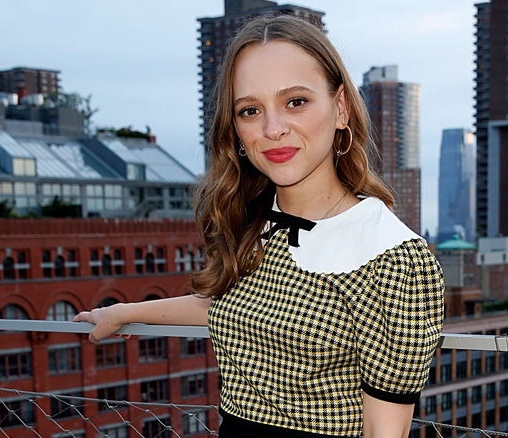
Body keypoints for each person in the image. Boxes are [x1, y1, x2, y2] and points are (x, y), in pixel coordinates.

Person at [74, 14, 444, 438]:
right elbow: (229, 307)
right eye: (251, 110)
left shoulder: (393, 257)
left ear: (341, 107)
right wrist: (124, 313)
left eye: (296, 102)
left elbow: (386, 430)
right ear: (236, 130)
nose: (272, 129)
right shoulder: (254, 221)